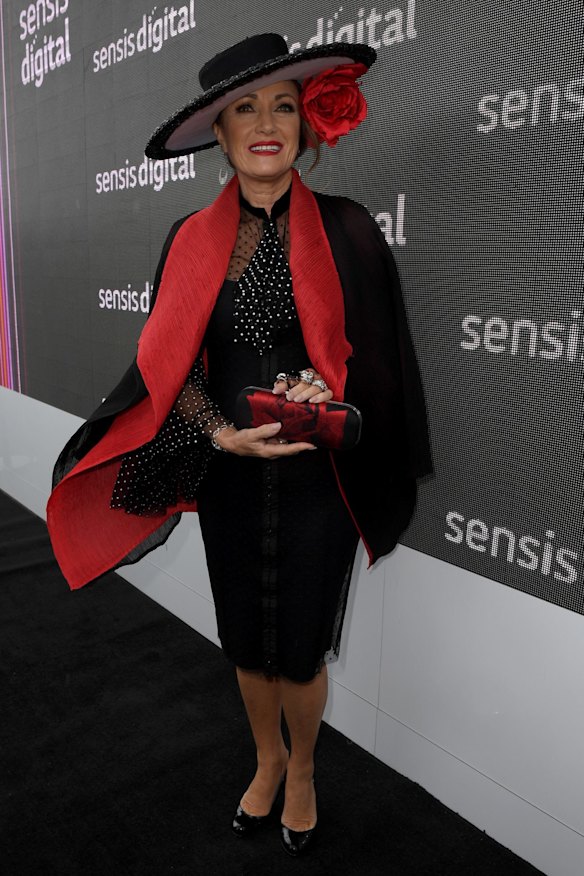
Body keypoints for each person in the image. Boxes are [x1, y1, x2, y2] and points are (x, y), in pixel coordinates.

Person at [46, 33, 433, 857]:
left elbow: (382, 365)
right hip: (231, 475)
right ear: (218, 136)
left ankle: (304, 773)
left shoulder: (349, 228)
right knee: (249, 647)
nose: (266, 124)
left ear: (306, 125)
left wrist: (330, 391)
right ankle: (267, 761)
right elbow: (170, 369)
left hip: (320, 483)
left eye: (283, 107)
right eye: (244, 111)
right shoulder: (188, 238)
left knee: (301, 652)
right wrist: (222, 433)